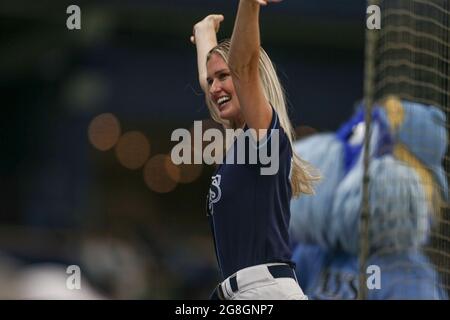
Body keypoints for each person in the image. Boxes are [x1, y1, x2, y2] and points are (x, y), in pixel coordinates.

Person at [190, 0, 319, 300]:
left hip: (267, 291)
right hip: (242, 294)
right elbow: (220, 86)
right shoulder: (240, 144)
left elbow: (242, 68)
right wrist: (204, 32)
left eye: (222, 77)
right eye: (210, 81)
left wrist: (249, 4)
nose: (213, 88)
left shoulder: (264, 137)